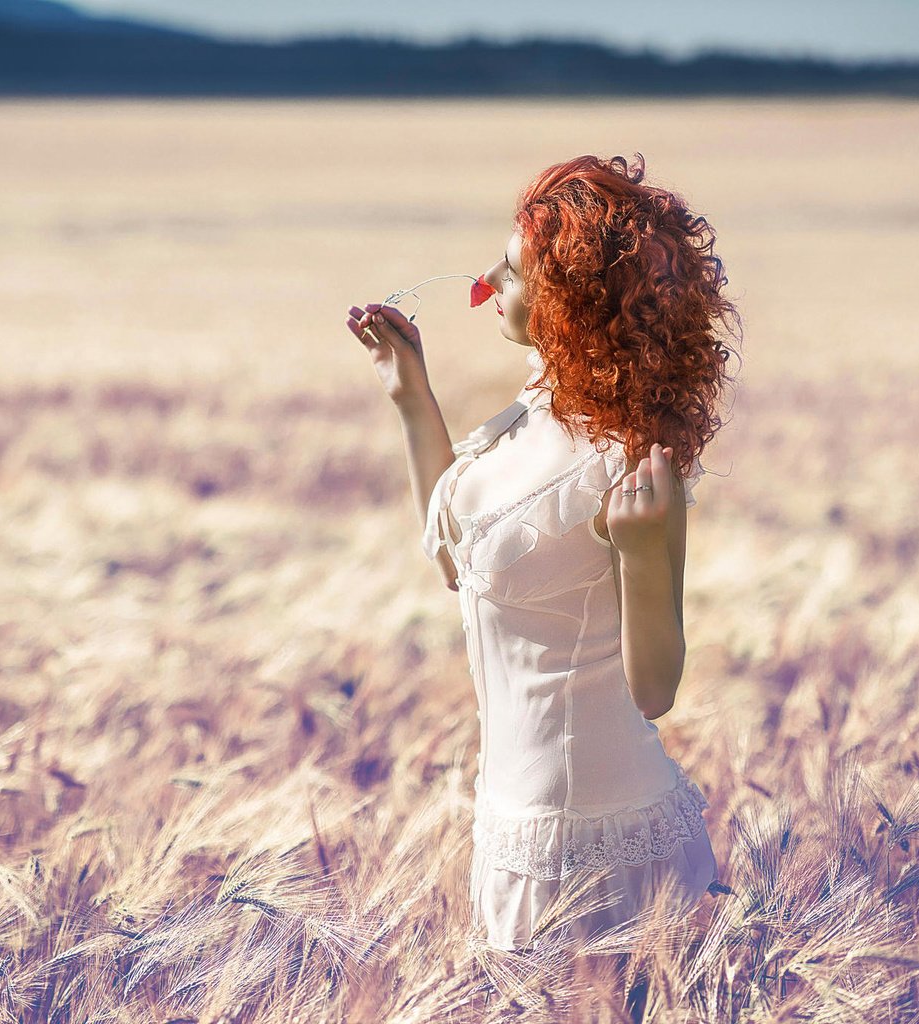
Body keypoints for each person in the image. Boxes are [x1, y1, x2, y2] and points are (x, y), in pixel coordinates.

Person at [344, 153, 741, 957]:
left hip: (598, 847)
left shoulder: (632, 458)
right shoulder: (529, 412)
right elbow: (458, 557)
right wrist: (409, 393)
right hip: (510, 828)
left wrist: (638, 554)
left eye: (512, 270)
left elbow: (658, 689)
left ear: (570, 299)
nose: (486, 282)